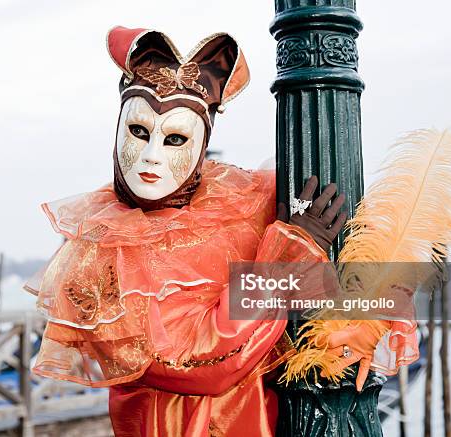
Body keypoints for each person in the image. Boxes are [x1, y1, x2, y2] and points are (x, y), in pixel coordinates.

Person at [24, 26, 379, 437]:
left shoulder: (240, 202)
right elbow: (198, 364)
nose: (151, 156)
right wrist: (287, 257)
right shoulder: (98, 254)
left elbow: (364, 249)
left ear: (201, 144)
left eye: (175, 139)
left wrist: (368, 319)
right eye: (139, 132)